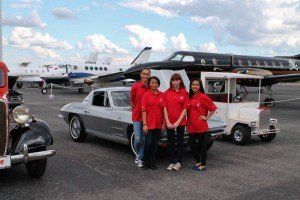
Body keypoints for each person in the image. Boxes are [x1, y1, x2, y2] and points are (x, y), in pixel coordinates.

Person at [187, 79, 217, 172]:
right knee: (191, 143)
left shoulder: (203, 97)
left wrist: (206, 118)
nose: (194, 86)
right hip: (191, 125)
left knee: (202, 145)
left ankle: (203, 165)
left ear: (200, 86)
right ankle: (199, 161)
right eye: (193, 84)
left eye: (197, 85)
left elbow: (213, 108)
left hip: (200, 125)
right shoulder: (191, 97)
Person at [163, 73, 188, 171]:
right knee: (171, 142)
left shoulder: (184, 93)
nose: (175, 82)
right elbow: (164, 108)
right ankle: (171, 162)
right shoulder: (167, 92)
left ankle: (179, 162)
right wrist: (168, 122)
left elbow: (185, 109)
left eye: (177, 80)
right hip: (169, 122)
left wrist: (178, 122)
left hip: (180, 122)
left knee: (180, 142)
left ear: (180, 81)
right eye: (173, 80)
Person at [141, 76, 164, 170]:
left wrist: (163, 124)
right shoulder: (146, 95)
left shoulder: (162, 95)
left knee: (155, 145)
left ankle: (153, 163)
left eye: (156, 83)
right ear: (149, 84)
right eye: (152, 82)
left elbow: (164, 110)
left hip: (159, 124)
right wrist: (144, 124)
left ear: (158, 84)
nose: (154, 84)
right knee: (148, 144)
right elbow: (144, 110)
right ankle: (146, 162)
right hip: (149, 124)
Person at [130, 68, 151, 168]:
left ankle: (139, 158)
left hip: (147, 117)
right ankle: (138, 155)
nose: (145, 76)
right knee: (138, 139)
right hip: (137, 116)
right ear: (141, 75)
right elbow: (132, 100)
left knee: (145, 139)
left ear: (149, 75)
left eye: (147, 74)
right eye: (144, 74)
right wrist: (134, 111)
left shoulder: (151, 87)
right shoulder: (135, 86)